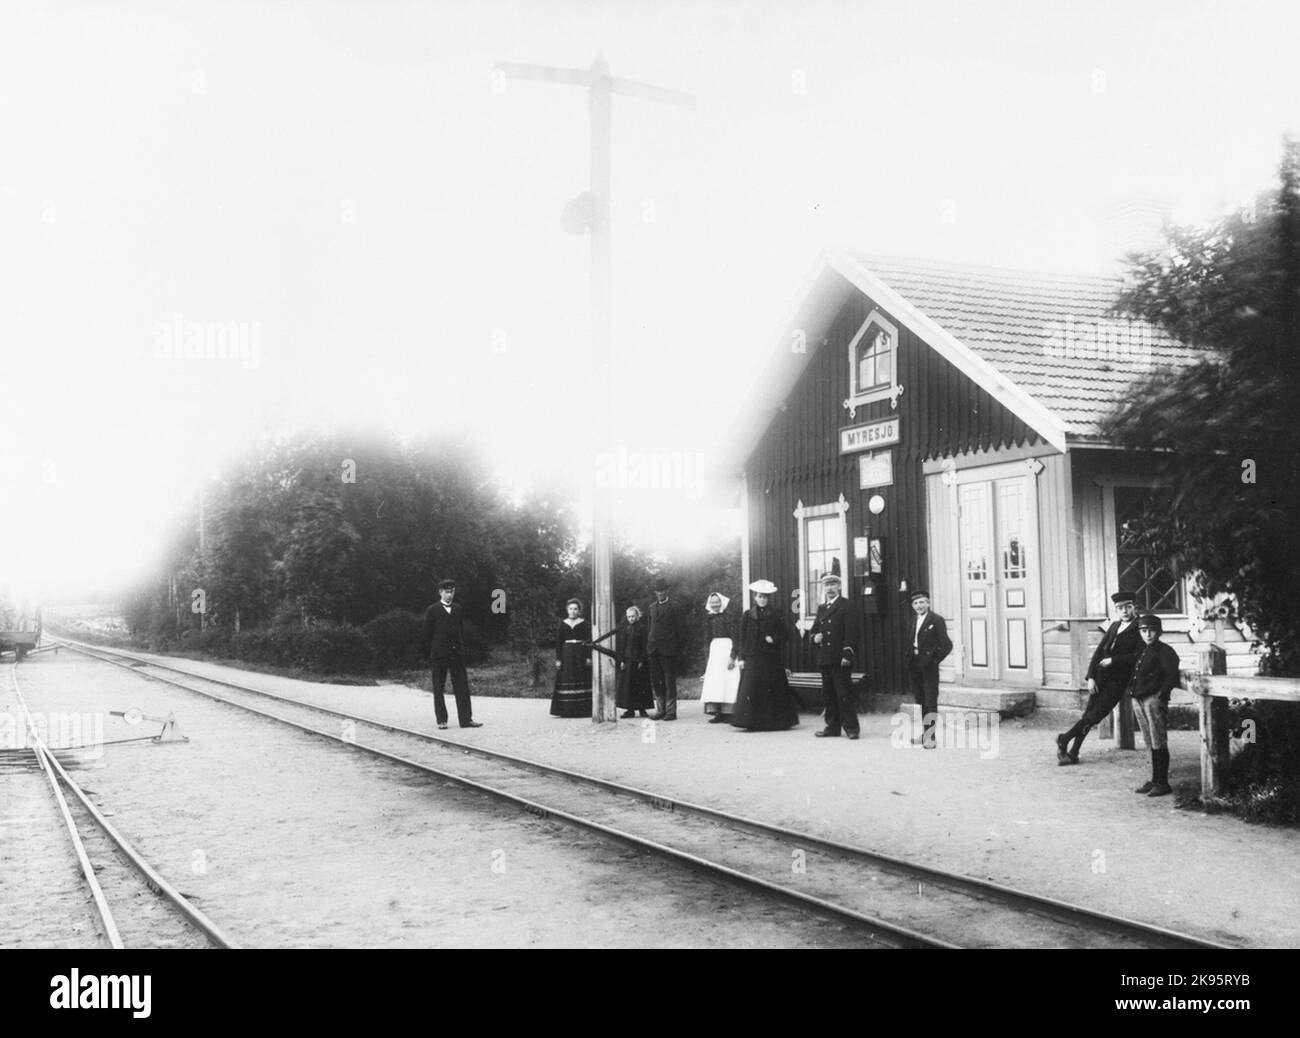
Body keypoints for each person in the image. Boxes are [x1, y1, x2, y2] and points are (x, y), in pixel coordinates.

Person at [1056, 591, 1141, 764]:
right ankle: (1073, 752)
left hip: (1119, 680)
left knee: (1096, 715)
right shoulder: (1114, 626)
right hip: (1100, 677)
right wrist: (1091, 677)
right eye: (1120, 608)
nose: (1124, 611)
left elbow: (1137, 655)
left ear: (1134, 607)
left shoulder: (1140, 627)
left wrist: (1113, 660)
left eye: (1128, 607)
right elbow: (1098, 653)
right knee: (1089, 714)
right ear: (1116, 610)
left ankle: (1065, 738)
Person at [730, 580, 800, 731]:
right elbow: (743, 638)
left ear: (768, 598)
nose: (762, 599)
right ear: (755, 597)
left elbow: (785, 635)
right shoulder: (748, 615)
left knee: (772, 688)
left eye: (765, 597)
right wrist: (741, 658)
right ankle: (751, 723)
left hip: (770, 658)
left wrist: (773, 639)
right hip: (752, 657)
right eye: (760, 596)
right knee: (752, 688)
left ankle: (774, 722)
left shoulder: (776, 614)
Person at [1127, 614, 1182, 797]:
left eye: (1151, 631)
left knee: (1158, 740)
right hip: (1139, 699)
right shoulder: (1143, 650)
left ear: (1159, 632)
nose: (1148, 634)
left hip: (1153, 699)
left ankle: (1163, 782)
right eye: (1144, 631)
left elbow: (1171, 675)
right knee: (1149, 740)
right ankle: (1154, 779)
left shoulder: (1165, 651)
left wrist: (1161, 695)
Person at [421, 579, 482, 730]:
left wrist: (460, 648)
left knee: (462, 686)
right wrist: (432, 651)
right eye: (447, 592)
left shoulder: (458, 609)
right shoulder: (432, 610)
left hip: (456, 654)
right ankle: (442, 720)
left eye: (452, 592)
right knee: (438, 687)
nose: (450, 595)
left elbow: (460, 631)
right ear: (440, 592)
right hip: (439, 655)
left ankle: (466, 720)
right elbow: (426, 634)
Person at [810, 574, 860, 739]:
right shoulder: (822, 608)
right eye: (827, 585)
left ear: (839, 586)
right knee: (829, 694)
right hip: (825, 657)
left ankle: (851, 728)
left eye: (833, 584)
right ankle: (832, 727)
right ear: (823, 588)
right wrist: (815, 637)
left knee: (843, 693)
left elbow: (852, 631)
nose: (830, 588)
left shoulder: (846, 605)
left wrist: (847, 653)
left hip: (840, 657)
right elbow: (815, 629)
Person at [904, 590, 952, 749]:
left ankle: (931, 737)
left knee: (930, 700)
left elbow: (946, 644)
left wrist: (934, 659)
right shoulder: (912, 620)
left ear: (928, 603)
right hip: (915, 664)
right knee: (921, 700)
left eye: (922, 602)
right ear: (913, 606)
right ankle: (925, 734)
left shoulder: (936, 620)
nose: (919, 606)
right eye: (916, 603)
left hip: (929, 666)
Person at [646, 577, 690, 721]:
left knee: (669, 681)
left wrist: (678, 650)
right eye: (658, 591)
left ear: (667, 590)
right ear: (655, 592)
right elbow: (649, 628)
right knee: (657, 681)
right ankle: (660, 710)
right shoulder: (651, 608)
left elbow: (682, 631)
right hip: (654, 650)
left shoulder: (675, 607)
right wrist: (649, 645)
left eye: (662, 590)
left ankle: (671, 712)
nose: (660, 593)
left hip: (669, 650)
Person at [699, 592, 740, 723]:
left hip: (727, 649)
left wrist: (732, 657)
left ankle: (730, 713)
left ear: (721, 602)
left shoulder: (728, 616)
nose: (715, 604)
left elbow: (735, 637)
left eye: (717, 602)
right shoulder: (709, 618)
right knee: (716, 682)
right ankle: (719, 713)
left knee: (729, 681)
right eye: (712, 602)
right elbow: (706, 639)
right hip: (715, 651)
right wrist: (707, 660)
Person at [551, 598, 593, 717]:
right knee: (567, 677)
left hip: (581, 653)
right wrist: (558, 659)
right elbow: (558, 643)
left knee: (582, 677)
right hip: (567, 654)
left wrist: (588, 657)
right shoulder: (562, 624)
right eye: (570, 609)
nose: (573, 611)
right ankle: (566, 710)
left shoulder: (585, 623)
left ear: (579, 610)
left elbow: (589, 641)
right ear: (567, 610)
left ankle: (583, 710)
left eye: (575, 609)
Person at [615, 605, 653, 718]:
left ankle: (642, 709)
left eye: (633, 616)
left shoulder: (642, 628)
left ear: (637, 616)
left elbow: (644, 645)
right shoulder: (626, 629)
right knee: (628, 686)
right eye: (629, 617)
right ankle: (629, 709)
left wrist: (642, 660)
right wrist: (621, 660)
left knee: (641, 685)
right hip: (628, 660)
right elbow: (622, 646)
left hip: (639, 661)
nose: (631, 619)